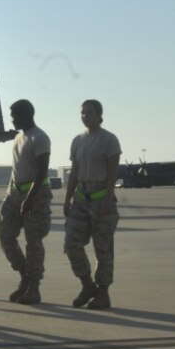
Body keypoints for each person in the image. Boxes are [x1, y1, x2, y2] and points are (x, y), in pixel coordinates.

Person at [63, 99, 121, 309]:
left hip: (101, 199)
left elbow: (113, 171)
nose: (85, 116)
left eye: (89, 113)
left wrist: (107, 199)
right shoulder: (78, 140)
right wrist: (67, 198)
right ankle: (87, 285)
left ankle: (103, 292)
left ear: (99, 115)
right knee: (71, 244)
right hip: (81, 198)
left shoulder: (109, 140)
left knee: (103, 249)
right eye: (82, 113)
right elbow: (75, 172)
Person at [0, 99, 51, 304]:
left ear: (26, 115)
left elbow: (42, 171)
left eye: (14, 115)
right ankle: (25, 277)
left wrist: (29, 199)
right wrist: (10, 194)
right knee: (4, 235)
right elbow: (16, 169)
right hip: (14, 193)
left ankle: (34, 287)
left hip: (35, 196)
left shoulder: (40, 138)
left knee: (33, 241)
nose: (12, 119)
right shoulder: (19, 137)